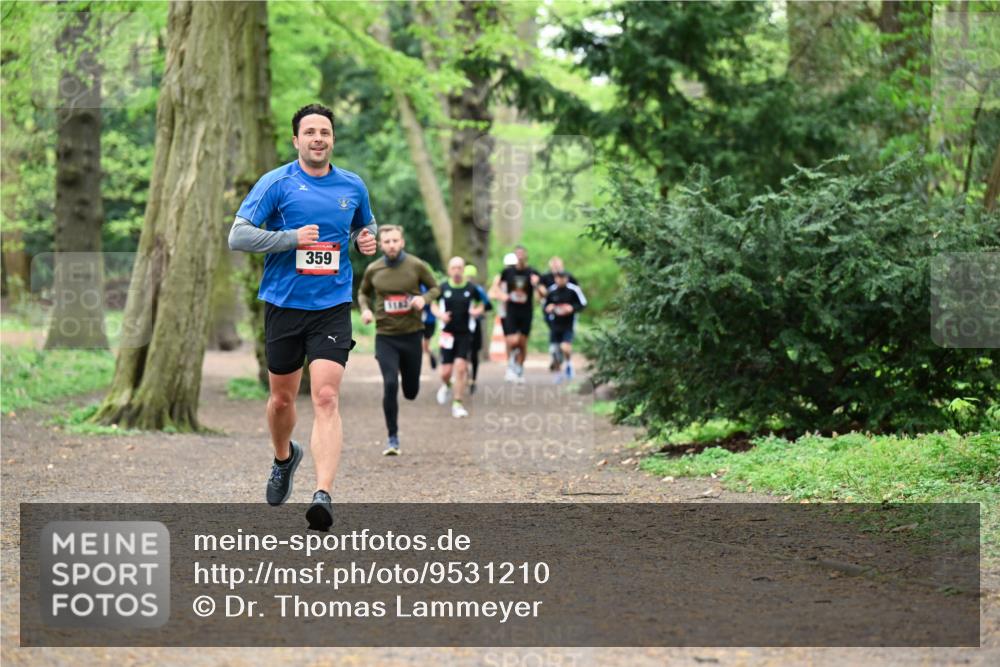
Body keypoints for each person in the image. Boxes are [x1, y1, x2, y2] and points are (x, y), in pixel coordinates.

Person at [228, 103, 377, 531]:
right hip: (284, 303)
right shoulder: (276, 183)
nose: (318, 138)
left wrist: (365, 240)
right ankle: (283, 458)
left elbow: (362, 227)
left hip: (331, 306)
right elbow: (238, 235)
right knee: (282, 400)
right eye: (309, 132)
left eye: (325, 132)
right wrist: (291, 239)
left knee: (326, 397)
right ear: (296, 140)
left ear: (332, 139)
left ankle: (323, 495)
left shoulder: (352, 185)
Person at [358, 225, 440, 456]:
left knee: (411, 391)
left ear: (402, 242)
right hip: (386, 336)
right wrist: (365, 310)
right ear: (380, 245)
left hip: (412, 334)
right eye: (387, 242)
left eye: (395, 241)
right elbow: (363, 293)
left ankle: (410, 386)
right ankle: (392, 438)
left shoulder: (416, 265)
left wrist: (424, 299)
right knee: (390, 383)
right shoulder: (374, 269)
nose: (391, 245)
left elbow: (435, 288)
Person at [433, 257, 485, 418]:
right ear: (449, 270)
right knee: (445, 372)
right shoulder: (443, 287)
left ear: (463, 270)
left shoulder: (471, 288)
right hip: (447, 333)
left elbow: (482, 304)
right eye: (453, 268)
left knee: (461, 368)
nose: (456, 271)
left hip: (464, 333)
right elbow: (433, 305)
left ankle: (458, 403)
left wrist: (477, 311)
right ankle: (447, 384)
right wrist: (440, 315)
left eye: (459, 268)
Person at [489, 245, 542, 383]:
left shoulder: (532, 273)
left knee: (522, 342)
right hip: (509, 311)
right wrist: (503, 296)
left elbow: (542, 294)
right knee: (512, 340)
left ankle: (519, 368)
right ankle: (511, 365)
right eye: (517, 254)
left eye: (521, 254)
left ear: (526, 256)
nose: (519, 257)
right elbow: (493, 289)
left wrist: (536, 285)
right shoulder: (507, 273)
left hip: (526, 310)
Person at [543, 270, 587, 382]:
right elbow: (545, 306)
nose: (560, 280)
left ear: (566, 278)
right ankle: (558, 373)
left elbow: (583, 304)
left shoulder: (573, 290)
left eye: (562, 278)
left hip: (568, 324)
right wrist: (549, 308)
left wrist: (572, 308)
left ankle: (568, 364)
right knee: (554, 351)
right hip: (555, 325)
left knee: (565, 347)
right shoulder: (551, 291)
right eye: (558, 277)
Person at [538, 256, 579, 370]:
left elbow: (579, 299)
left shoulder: (570, 280)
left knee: (564, 343)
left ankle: (564, 361)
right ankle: (556, 358)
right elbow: (541, 296)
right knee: (554, 339)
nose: (556, 267)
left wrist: (571, 308)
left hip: (568, 318)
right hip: (552, 315)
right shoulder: (546, 279)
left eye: (558, 264)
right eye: (554, 264)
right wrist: (547, 305)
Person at [462, 263, 493, 395]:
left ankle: (473, 379)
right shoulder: (459, 289)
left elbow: (489, 306)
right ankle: (466, 376)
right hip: (462, 326)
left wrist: (478, 311)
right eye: (467, 277)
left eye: (471, 277)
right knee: (463, 354)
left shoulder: (477, 290)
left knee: (474, 354)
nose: (469, 279)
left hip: (475, 326)